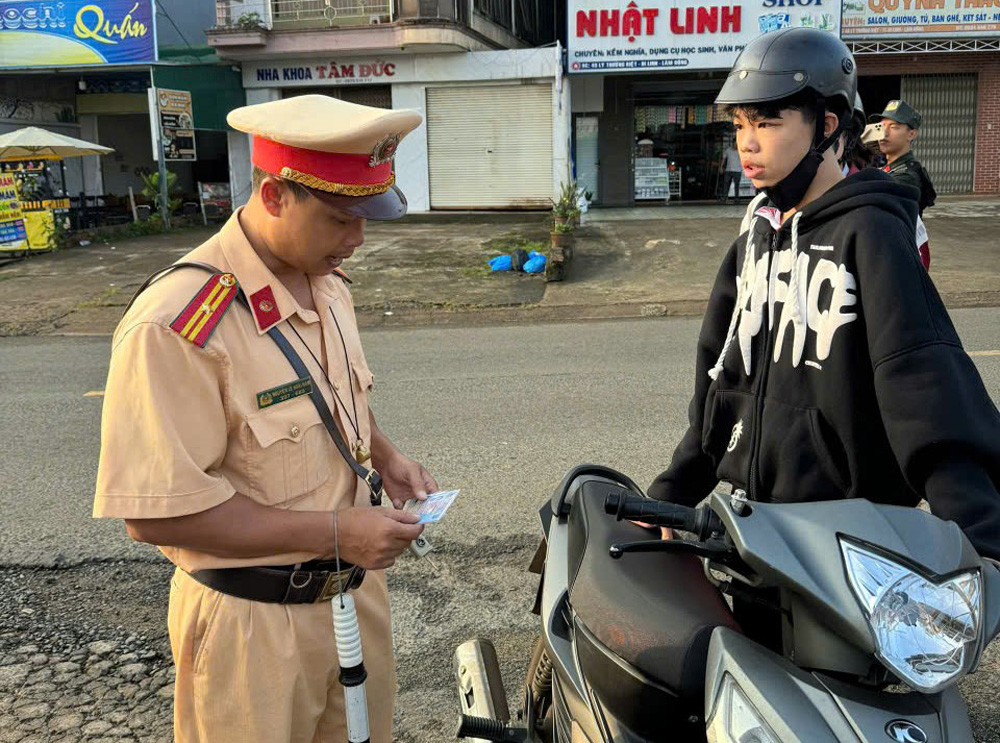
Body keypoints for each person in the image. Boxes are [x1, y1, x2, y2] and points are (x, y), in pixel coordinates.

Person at [93, 94, 437, 743]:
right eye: (341, 218)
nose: (358, 240)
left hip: (352, 599)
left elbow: (330, 396)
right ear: (275, 195)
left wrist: (384, 456)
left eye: (367, 217)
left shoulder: (327, 283)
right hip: (251, 629)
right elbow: (156, 512)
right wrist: (340, 530)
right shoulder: (179, 323)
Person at [649, 29, 1000, 571]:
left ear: (827, 125)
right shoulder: (752, 242)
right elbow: (720, 389)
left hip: (851, 552)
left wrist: (983, 544)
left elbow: (925, 391)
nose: (747, 142)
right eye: (741, 124)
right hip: (751, 538)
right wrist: (670, 493)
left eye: (767, 122)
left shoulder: (871, 234)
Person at [873, 99, 937, 216]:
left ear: (911, 134)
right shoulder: (889, 167)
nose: (884, 133)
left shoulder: (907, 177)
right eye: (881, 126)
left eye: (893, 127)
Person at [718, 137, 743, 204]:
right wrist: (721, 167)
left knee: (736, 185)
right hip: (728, 170)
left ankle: (736, 198)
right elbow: (724, 159)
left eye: (737, 143)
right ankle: (724, 197)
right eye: (735, 143)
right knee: (726, 184)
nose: (736, 145)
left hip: (738, 170)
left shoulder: (741, 151)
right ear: (733, 143)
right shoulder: (728, 150)